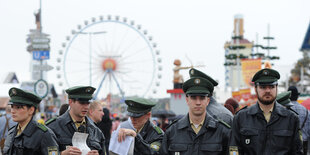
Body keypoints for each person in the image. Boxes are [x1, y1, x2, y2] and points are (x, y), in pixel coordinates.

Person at [230, 68, 302, 154]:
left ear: (276, 88)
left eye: (271, 87)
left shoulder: (291, 118)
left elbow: (297, 152)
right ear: (256, 88)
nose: (267, 90)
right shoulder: (241, 118)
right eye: (263, 87)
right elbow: (234, 150)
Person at [160, 74, 231, 154]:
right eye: (193, 98)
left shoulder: (222, 131)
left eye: (202, 98)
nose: (198, 103)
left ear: (207, 101)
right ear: (187, 100)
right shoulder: (172, 132)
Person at [46, 86, 106, 155]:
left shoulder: (97, 132)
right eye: (82, 102)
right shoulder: (53, 127)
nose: (86, 107)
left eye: (88, 103)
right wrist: (62, 154)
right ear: (70, 102)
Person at [3, 87, 59, 155]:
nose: (13, 111)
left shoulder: (44, 134)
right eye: (12, 107)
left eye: (18, 107)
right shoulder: (11, 133)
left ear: (31, 110)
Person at [288, 86, 310, 155]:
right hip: (304, 144)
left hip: (288, 144)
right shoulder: (307, 111)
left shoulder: (284, 110)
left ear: (287, 97)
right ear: (297, 97)